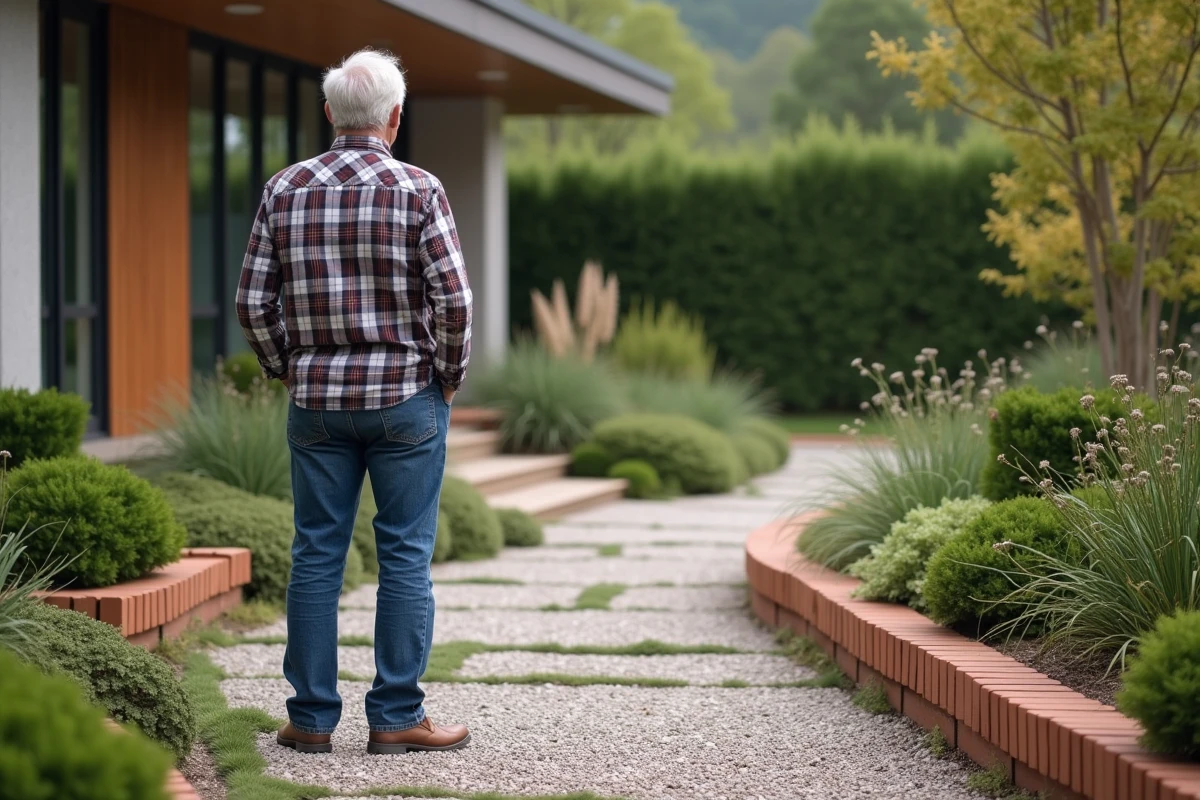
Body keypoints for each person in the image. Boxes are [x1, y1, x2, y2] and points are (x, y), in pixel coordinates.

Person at [235, 48, 473, 756]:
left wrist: (286, 367)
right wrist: (448, 374)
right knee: (404, 555)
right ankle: (396, 716)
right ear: (395, 117)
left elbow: (252, 302)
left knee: (315, 554)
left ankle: (310, 721)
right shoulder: (420, 189)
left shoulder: (284, 189)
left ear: (329, 113)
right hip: (406, 398)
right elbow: (454, 300)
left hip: (315, 402)